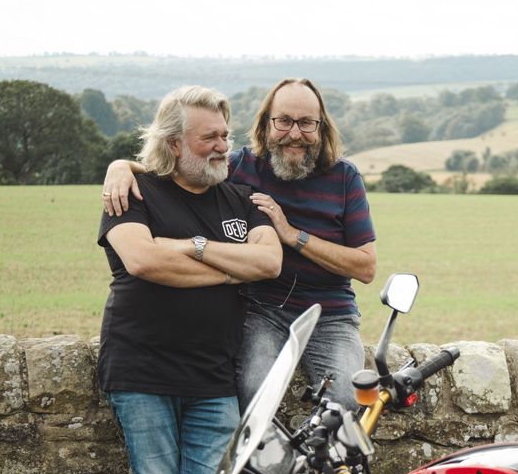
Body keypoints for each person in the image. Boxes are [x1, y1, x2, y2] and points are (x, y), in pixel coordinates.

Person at [98, 85, 282, 474]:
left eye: (226, 135)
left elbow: (269, 263)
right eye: (211, 137)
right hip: (140, 369)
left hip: (212, 377)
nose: (223, 145)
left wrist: (194, 248)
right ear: (175, 144)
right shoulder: (133, 191)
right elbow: (143, 260)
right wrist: (229, 268)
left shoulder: (242, 201)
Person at [103, 77, 377, 411]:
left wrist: (293, 236)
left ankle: (311, 464)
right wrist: (120, 167)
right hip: (263, 309)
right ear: (265, 124)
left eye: (307, 123)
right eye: (284, 121)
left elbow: (365, 267)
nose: (295, 133)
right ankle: (264, 464)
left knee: (348, 401)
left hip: (332, 315)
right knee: (252, 391)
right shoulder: (240, 167)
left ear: (322, 127)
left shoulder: (344, 177)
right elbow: (180, 166)